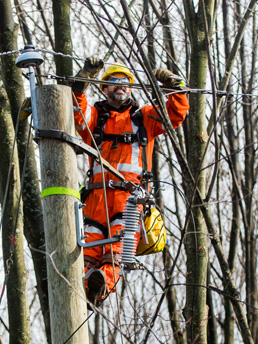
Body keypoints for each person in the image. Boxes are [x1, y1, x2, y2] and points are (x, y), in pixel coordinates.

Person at [71, 58, 189, 304]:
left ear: (131, 88)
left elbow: (175, 113)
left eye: (125, 82)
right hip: (96, 198)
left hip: (129, 199)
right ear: (104, 88)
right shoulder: (96, 119)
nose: (120, 86)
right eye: (114, 82)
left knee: (117, 250)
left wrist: (172, 84)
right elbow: (76, 111)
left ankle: (98, 287)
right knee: (88, 250)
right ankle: (81, 288)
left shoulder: (144, 117)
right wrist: (84, 77)